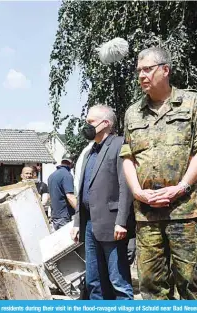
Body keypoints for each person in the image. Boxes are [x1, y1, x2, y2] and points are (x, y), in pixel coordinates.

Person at [121, 46, 197, 300]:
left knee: (192, 282)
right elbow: (128, 157)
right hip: (147, 213)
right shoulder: (132, 112)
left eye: (148, 69)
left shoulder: (192, 102)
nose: (141, 75)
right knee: (151, 284)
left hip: (184, 211)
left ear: (165, 70)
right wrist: (139, 193)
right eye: (138, 70)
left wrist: (182, 186)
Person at [71, 105, 134, 300]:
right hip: (90, 225)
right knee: (93, 282)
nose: (86, 126)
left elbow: (126, 187)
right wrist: (76, 222)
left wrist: (121, 221)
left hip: (112, 225)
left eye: (91, 122)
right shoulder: (90, 151)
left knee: (118, 282)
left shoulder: (119, 145)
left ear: (106, 123)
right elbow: (82, 189)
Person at [47, 155, 77, 230]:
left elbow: (50, 196)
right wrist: (79, 211)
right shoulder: (67, 175)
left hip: (55, 216)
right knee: (66, 240)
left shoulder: (52, 176)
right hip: (64, 216)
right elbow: (70, 196)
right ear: (72, 163)